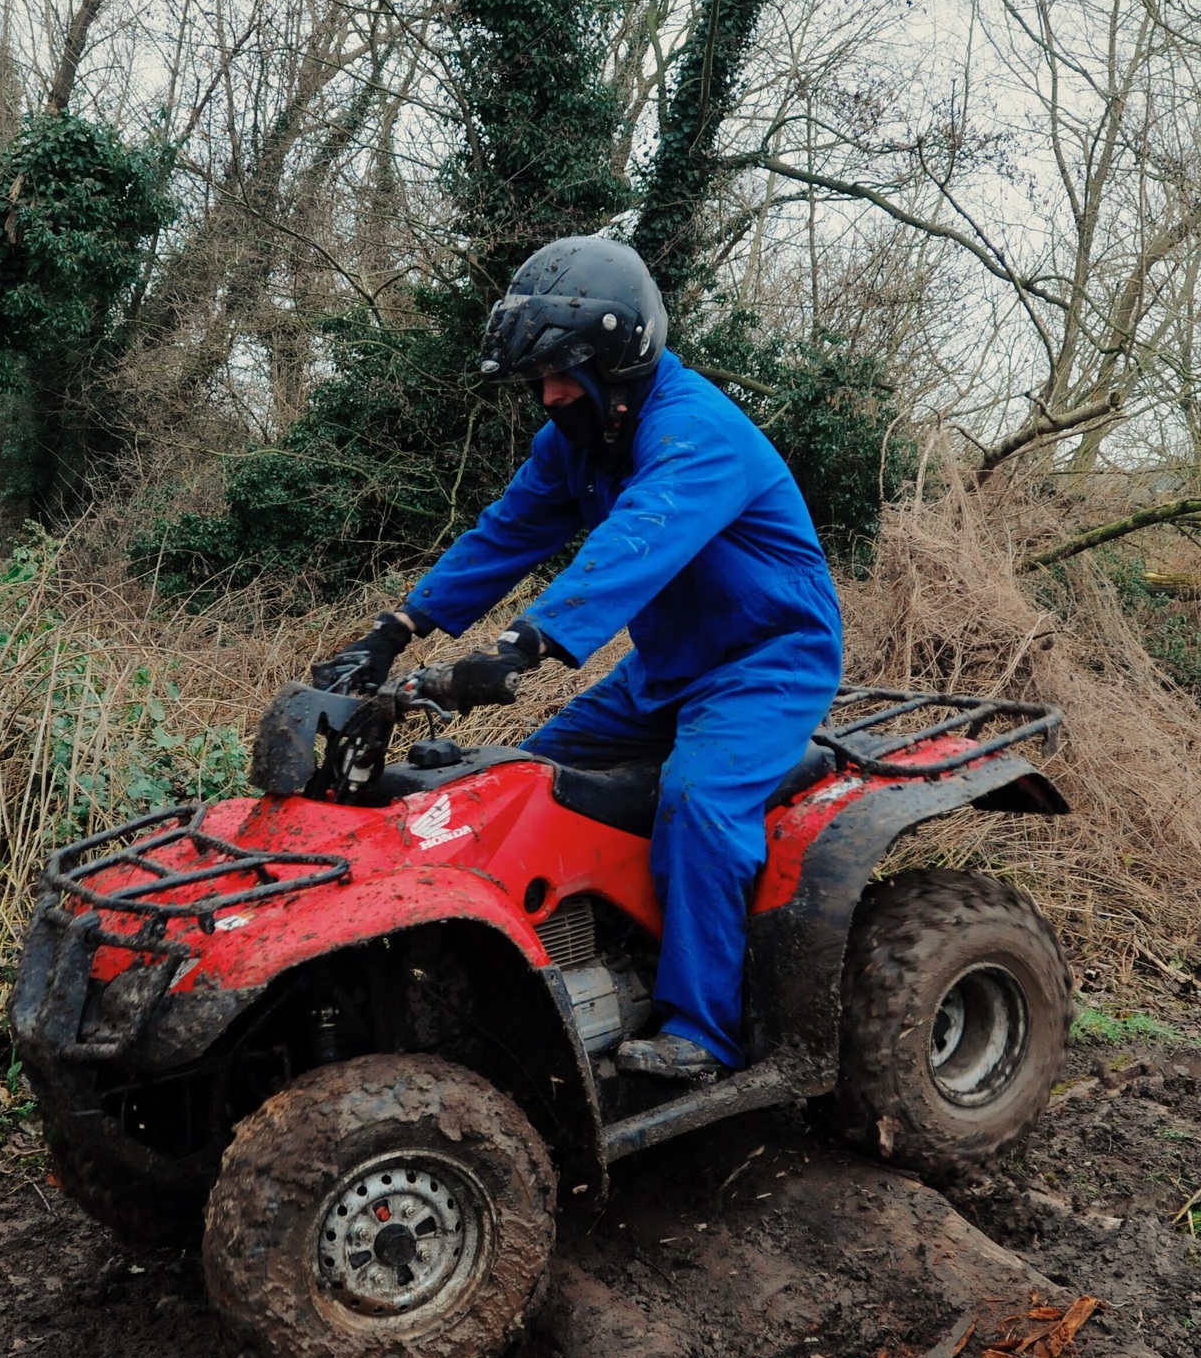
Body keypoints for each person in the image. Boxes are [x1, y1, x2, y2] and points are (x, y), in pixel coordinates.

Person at [310, 237, 843, 1083]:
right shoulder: (580, 437)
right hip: (667, 667)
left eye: (563, 373)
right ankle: (572, 969)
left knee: (698, 801)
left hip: (767, 660)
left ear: (618, 363)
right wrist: (396, 628)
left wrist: (520, 648)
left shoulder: (694, 433)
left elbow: (636, 546)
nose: (549, 394)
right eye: (540, 379)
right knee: (526, 780)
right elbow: (508, 531)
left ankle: (702, 1032)